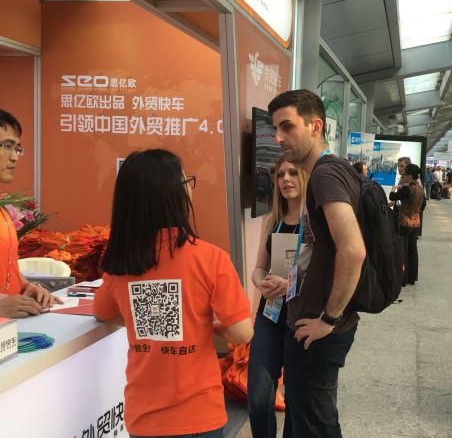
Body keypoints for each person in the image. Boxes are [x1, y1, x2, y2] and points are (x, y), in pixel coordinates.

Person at [93, 149, 253, 438]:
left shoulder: (119, 264)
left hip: (144, 418)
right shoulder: (211, 258)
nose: (190, 189)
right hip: (200, 414)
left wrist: (140, 321)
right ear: (172, 194)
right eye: (186, 182)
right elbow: (242, 332)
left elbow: (103, 313)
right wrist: (206, 325)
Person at [268, 89, 365, 438]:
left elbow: (353, 251)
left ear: (315, 126)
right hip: (309, 323)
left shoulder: (325, 175)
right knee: (302, 421)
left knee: (316, 427)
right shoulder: (332, 171)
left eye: (287, 127)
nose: (279, 138)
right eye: (276, 129)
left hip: (319, 331)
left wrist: (328, 318)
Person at [248, 157, 307, 438]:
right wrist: (261, 283)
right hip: (270, 312)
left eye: (293, 173)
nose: (285, 179)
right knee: (259, 399)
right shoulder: (272, 220)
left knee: (297, 400)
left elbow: (325, 276)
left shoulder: (317, 222)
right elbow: (259, 268)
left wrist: (291, 285)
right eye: (281, 174)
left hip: (302, 317)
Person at [0, 109, 61, 317]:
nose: (14, 157)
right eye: (7, 146)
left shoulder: (3, 212)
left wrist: (26, 285)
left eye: (17, 148)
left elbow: (7, 268)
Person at [389, 163, 424, 285]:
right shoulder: (420, 187)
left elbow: (393, 197)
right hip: (416, 223)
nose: (403, 176)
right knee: (413, 250)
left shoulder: (407, 188)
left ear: (409, 175)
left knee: (403, 249)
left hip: (404, 222)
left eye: (404, 174)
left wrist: (393, 188)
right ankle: (412, 277)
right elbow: (423, 206)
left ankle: (403, 278)